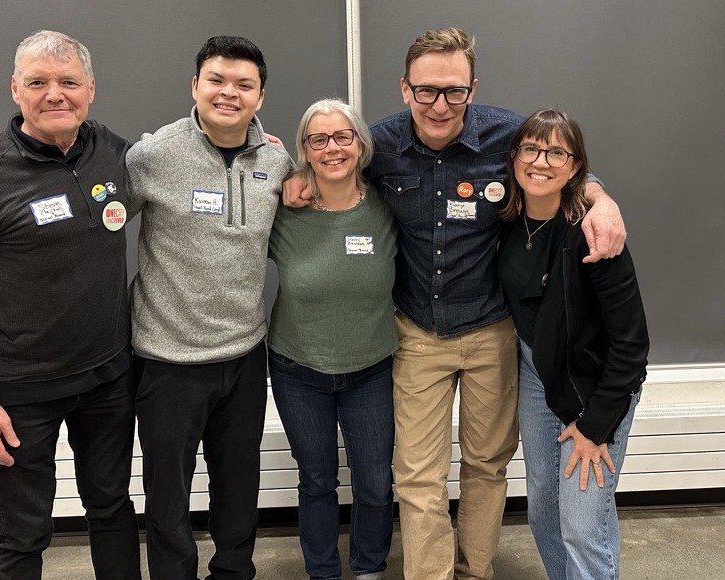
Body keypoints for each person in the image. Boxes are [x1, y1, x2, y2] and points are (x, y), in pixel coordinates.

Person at [284, 28, 627, 580]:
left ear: (473, 88)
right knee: (417, 475)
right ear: (404, 89)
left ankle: (474, 571)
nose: (439, 105)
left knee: (486, 467)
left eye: (453, 91)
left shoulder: (507, 136)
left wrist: (602, 197)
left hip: (492, 330)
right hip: (416, 332)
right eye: (426, 91)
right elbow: (328, 162)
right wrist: (292, 179)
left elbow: (560, 163)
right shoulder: (381, 145)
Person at [0, 30, 140, 579]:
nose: (55, 94)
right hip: (21, 392)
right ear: (15, 90)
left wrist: (264, 148)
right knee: (22, 532)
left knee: (113, 509)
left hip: (109, 380)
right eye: (38, 82)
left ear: (90, 89)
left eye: (68, 82)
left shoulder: (112, 151)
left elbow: (185, 158)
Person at [124, 36, 292, 580]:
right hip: (167, 358)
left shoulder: (277, 160)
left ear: (260, 96)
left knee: (238, 484)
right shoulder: (152, 156)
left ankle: (234, 572)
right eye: (216, 81)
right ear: (194, 86)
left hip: (245, 355)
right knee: (167, 495)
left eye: (244, 85)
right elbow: (98, 225)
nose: (229, 93)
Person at [497, 109, 649, 580]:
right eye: (531, 149)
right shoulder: (506, 219)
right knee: (544, 511)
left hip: (595, 384)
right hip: (536, 372)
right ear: (514, 157)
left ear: (576, 166)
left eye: (556, 152)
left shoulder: (595, 235)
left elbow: (631, 345)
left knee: (583, 524)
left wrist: (596, 425)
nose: (541, 161)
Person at [267, 98, 398, 580]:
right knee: (317, 479)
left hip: (372, 370)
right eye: (317, 139)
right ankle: (322, 571)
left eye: (343, 136)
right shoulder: (283, 209)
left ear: (361, 143)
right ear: (304, 149)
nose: (332, 148)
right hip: (298, 370)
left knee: (374, 483)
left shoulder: (388, 206)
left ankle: (368, 568)